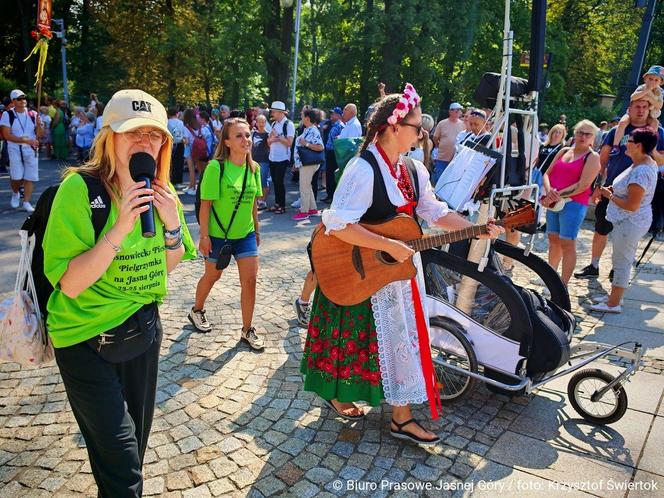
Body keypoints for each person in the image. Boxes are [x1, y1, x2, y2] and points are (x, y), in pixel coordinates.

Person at [300, 84, 503, 444]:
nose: (422, 133)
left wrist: (475, 229)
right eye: (416, 126)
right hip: (358, 270)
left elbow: (434, 211)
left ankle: (400, 416)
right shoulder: (362, 169)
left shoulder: (412, 169)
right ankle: (352, 398)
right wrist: (385, 244)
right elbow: (337, 224)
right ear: (394, 127)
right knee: (355, 340)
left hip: (397, 275)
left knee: (400, 342)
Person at [43, 89, 195, 497]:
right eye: (133, 133)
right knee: (123, 464)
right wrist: (119, 228)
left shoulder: (163, 192)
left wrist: (171, 226)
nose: (146, 143)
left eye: (155, 135)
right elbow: (72, 284)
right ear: (109, 137)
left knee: (130, 454)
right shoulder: (80, 191)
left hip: (141, 333)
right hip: (83, 340)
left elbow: (166, 264)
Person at [189, 118, 265, 350]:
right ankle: (197, 310)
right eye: (239, 136)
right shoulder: (216, 167)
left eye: (248, 135)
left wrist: (257, 227)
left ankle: (247, 329)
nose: (246, 140)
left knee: (250, 281)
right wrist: (204, 236)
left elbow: (252, 201)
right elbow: (206, 205)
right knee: (213, 277)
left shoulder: (254, 168)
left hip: (245, 235)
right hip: (218, 235)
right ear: (228, 142)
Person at [575, 99, 664, 278]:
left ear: (649, 110)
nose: (641, 110)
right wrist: (598, 185)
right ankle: (594, 265)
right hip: (612, 188)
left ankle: (620, 269)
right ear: (629, 109)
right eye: (637, 107)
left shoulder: (658, 132)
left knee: (629, 234)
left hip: (638, 192)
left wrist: (650, 147)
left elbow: (661, 160)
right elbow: (604, 158)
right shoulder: (617, 131)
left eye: (644, 107)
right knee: (601, 228)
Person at [591, 129, 659, 313]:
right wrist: (611, 189)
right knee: (620, 259)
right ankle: (613, 296)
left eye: (629, 140)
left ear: (638, 146)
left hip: (631, 221)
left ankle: (614, 303)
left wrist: (610, 196)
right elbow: (625, 187)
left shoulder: (642, 170)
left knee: (622, 261)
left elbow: (632, 205)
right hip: (628, 221)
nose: (624, 143)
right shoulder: (639, 163)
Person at [541, 120, 601, 286]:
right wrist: (549, 191)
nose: (583, 136)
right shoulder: (564, 151)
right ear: (574, 133)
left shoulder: (592, 157)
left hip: (573, 204)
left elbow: (583, 185)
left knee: (568, 242)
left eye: (587, 134)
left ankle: (563, 284)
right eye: (580, 132)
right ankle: (550, 278)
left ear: (593, 138)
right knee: (553, 239)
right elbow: (547, 173)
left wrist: (557, 194)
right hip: (554, 202)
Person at [0, 89, 43, 212]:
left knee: (30, 176)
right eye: (19, 99)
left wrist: (39, 125)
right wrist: (25, 140)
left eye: (24, 98)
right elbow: (6, 135)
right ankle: (15, 192)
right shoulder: (7, 115)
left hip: (31, 149)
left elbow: (40, 135)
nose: (23, 101)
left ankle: (26, 202)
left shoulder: (33, 114)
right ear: (13, 101)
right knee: (17, 176)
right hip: (15, 148)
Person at [612, 65, 664, 151]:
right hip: (633, 114)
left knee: (655, 124)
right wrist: (646, 91)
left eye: (656, 80)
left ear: (660, 82)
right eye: (650, 79)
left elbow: (659, 105)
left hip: (649, 116)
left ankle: (652, 148)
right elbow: (633, 97)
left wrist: (649, 98)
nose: (653, 82)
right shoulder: (642, 87)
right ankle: (616, 146)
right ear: (645, 79)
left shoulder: (660, 92)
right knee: (622, 123)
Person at [293, 108, 325, 221]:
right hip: (305, 163)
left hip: (308, 164)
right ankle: (312, 209)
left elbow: (320, 147)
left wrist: (305, 143)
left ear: (307, 118)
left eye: (302, 116)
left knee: (304, 187)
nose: (301, 118)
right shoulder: (309, 129)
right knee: (307, 186)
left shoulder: (313, 130)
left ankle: (304, 211)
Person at [267, 101, 295, 214]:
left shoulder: (289, 124)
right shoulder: (273, 124)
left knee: (279, 182)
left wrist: (277, 137)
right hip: (272, 157)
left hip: (282, 158)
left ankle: (282, 206)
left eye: (273, 111)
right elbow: (268, 141)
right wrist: (272, 139)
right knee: (275, 182)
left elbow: (289, 143)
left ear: (280, 112)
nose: (272, 113)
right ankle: (277, 204)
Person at [431, 102, 465, 184]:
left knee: (450, 182)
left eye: (460, 111)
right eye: (457, 111)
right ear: (450, 111)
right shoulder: (442, 123)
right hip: (442, 158)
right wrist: (438, 146)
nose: (459, 112)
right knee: (439, 180)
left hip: (455, 159)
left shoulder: (463, 124)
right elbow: (435, 137)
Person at [321, 106, 344, 203]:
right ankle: (328, 194)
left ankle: (332, 196)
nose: (331, 115)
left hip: (334, 153)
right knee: (328, 173)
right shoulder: (333, 125)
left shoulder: (340, 126)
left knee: (332, 175)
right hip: (329, 151)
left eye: (333, 114)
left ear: (338, 115)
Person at [252, 114, 270, 210]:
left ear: (265, 123)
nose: (261, 124)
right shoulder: (253, 134)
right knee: (254, 181)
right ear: (256, 123)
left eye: (263, 122)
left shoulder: (268, 134)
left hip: (264, 161)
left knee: (263, 180)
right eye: (259, 122)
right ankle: (257, 200)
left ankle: (263, 200)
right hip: (254, 160)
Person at [167, 107, 185, 186]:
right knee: (179, 163)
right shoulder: (181, 122)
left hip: (171, 143)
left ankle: (171, 179)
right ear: (176, 114)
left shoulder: (167, 122)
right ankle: (178, 180)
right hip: (180, 143)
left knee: (171, 162)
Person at [182, 108, 198, 195]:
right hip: (197, 149)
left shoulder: (186, 127)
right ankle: (191, 186)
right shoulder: (197, 125)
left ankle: (193, 187)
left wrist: (182, 140)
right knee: (195, 169)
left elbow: (186, 141)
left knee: (191, 170)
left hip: (189, 149)